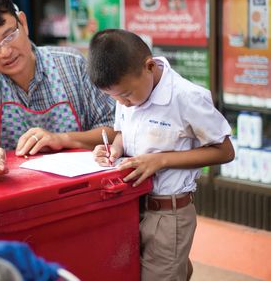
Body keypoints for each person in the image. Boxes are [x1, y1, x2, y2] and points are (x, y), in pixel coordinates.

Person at [87, 29, 234, 281]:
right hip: (132, 205)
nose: (122, 104)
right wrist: (115, 149)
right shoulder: (126, 92)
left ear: (149, 66)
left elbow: (225, 150)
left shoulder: (186, 97)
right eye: (113, 97)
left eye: (125, 95)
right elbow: (122, 132)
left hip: (169, 213)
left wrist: (161, 160)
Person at [0, 0, 115, 183]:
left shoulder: (72, 64)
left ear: (23, 23)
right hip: (13, 193)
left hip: (80, 188)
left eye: (9, 35)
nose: (6, 52)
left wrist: (61, 139)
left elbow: (112, 129)